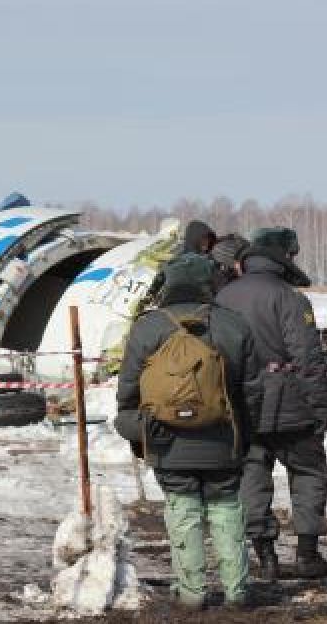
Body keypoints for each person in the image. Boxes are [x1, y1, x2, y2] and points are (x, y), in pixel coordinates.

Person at [114, 254, 259, 610]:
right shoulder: (234, 325)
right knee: (226, 507)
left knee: (183, 509)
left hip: (166, 440)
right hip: (223, 440)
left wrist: (140, 428)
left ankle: (192, 593)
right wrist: (244, 433)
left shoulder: (147, 327)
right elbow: (252, 391)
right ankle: (237, 591)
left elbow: (128, 391)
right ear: (208, 283)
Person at [216, 227, 327, 581]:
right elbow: (307, 356)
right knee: (309, 471)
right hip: (291, 404)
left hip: (241, 404)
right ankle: (307, 553)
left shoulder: (224, 297)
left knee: (252, 476)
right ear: (284, 256)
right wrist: (321, 404)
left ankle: (265, 557)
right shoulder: (290, 298)